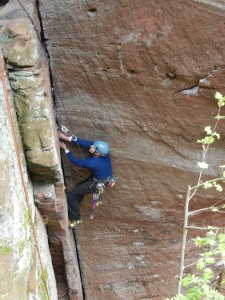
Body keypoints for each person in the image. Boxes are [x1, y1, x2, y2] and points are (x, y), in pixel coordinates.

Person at [58, 131, 113, 229]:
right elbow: (84, 142)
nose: (91, 146)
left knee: (71, 195)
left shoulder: (91, 163)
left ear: (96, 153)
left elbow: (75, 161)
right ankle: (73, 207)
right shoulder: (104, 153)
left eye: (93, 147)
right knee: (79, 189)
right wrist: (66, 137)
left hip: (95, 183)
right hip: (101, 178)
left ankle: (76, 218)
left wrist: (66, 149)